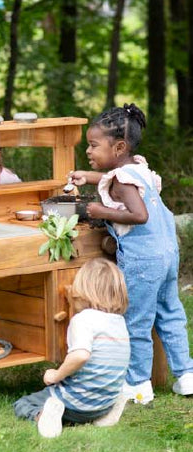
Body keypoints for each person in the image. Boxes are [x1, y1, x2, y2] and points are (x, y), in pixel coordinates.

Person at [69, 103, 193, 403]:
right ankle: (186, 376)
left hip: (142, 262)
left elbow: (139, 215)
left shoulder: (123, 180)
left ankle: (138, 384)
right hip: (166, 254)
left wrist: (99, 210)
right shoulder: (138, 169)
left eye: (94, 145)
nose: (88, 151)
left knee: (136, 321)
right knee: (170, 314)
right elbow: (121, 183)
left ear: (118, 146)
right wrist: (89, 175)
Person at [14, 258, 131, 438]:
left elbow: (81, 356)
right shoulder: (119, 322)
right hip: (104, 400)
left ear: (83, 291)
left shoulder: (83, 320)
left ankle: (45, 416)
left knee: (24, 404)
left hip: (77, 403)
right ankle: (106, 413)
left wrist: (56, 375)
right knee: (94, 397)